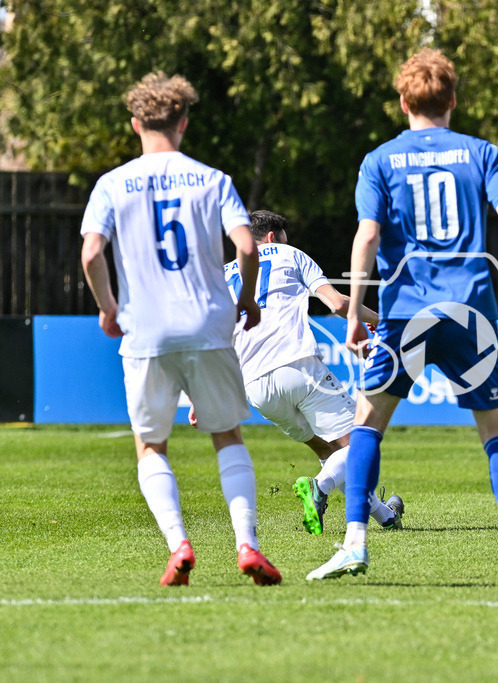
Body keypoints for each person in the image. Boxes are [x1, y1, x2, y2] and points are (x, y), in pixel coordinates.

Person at [306, 48, 498, 581]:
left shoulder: (380, 160)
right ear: (453, 99)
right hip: (470, 311)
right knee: (496, 431)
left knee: (368, 425)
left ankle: (354, 544)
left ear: (402, 101)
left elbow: (367, 236)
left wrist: (351, 315)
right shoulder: (482, 152)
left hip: (406, 311)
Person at [80, 72, 280, 586]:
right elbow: (248, 246)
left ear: (134, 124)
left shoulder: (112, 184)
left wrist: (108, 308)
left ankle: (179, 544)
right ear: (184, 123)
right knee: (227, 436)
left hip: (144, 330)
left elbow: (91, 252)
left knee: (151, 447)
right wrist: (247, 300)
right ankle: (247, 545)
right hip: (209, 325)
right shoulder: (211, 179)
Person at [207, 209, 405, 536]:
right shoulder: (289, 254)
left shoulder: (224, 276)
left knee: (330, 453)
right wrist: (380, 322)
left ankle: (386, 516)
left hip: (255, 385)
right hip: (298, 365)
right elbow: (339, 304)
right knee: (358, 444)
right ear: (272, 236)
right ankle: (320, 487)